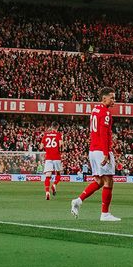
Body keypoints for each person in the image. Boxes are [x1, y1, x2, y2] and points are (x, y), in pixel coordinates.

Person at [71, 87, 119, 222]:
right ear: (104, 98)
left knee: (99, 181)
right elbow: (104, 134)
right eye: (112, 97)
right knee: (108, 181)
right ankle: (105, 214)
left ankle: (78, 201)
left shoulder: (95, 109)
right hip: (101, 150)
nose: (114, 100)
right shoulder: (105, 113)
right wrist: (106, 153)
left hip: (93, 150)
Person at [41, 125, 63, 200]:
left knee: (48, 176)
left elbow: (41, 147)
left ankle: (47, 192)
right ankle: (54, 184)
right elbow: (61, 144)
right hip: (57, 157)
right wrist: (61, 151)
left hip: (48, 158)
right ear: (57, 127)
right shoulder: (58, 134)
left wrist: (47, 148)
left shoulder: (45, 135)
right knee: (58, 174)